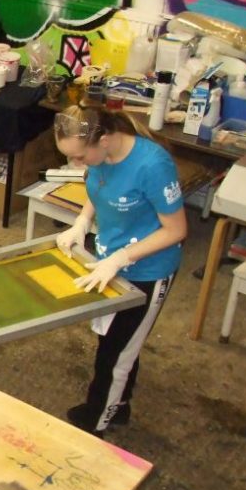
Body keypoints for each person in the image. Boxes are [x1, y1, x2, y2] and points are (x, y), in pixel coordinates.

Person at [52, 105, 187, 435]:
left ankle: (96, 422)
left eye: (80, 156)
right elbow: (96, 188)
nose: (75, 164)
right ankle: (120, 405)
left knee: (116, 356)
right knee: (115, 342)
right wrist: (82, 223)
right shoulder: (100, 158)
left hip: (147, 271)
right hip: (110, 263)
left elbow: (176, 230)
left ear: (106, 140)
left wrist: (121, 258)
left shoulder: (152, 166)